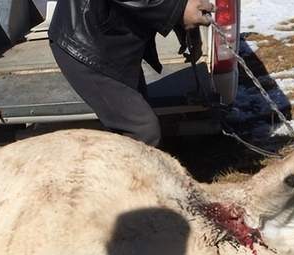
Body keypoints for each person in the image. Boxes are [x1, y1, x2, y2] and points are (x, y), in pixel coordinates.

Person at [48, 0, 214, 147]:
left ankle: (121, 175)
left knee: (133, 127)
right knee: (143, 131)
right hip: (86, 44)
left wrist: (189, 32)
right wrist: (178, 8)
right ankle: (125, 180)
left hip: (115, 43)